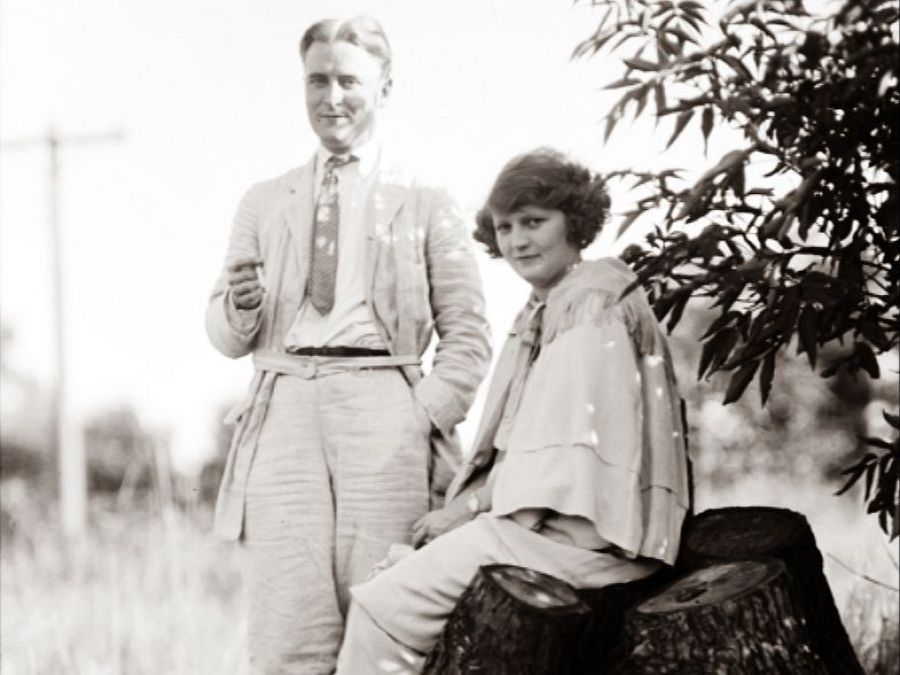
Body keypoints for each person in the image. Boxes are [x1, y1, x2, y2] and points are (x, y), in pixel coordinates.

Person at [205, 15, 491, 674]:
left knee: (384, 609)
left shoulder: (425, 198)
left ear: (384, 88)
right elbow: (223, 333)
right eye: (317, 80)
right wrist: (241, 308)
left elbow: (469, 334)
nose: (331, 97)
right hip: (283, 406)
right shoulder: (263, 199)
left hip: (384, 401)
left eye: (348, 81)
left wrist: (419, 415)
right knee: (286, 619)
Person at [335, 148, 691, 673]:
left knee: (380, 606)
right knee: (398, 575)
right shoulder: (550, 305)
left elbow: (561, 460)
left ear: (575, 221)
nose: (519, 240)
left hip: (590, 541)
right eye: (505, 228)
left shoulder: (589, 303)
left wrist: (464, 511)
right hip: (560, 527)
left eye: (534, 222)